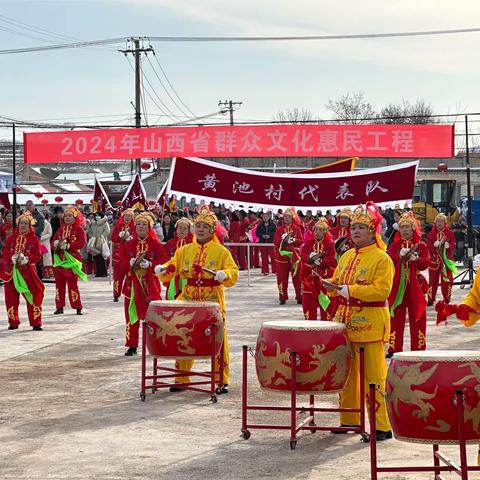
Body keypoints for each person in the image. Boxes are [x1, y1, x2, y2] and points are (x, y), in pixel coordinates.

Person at [324, 202, 394, 442]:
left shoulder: (382, 259)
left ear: (373, 230)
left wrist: (348, 290)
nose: (355, 231)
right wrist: (330, 286)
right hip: (344, 323)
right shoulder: (346, 255)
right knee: (347, 376)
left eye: (361, 227)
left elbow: (381, 291)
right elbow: (337, 281)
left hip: (370, 326)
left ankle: (381, 426)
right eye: (353, 227)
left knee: (373, 377)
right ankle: (349, 420)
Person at [157, 206, 239, 392]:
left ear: (212, 230)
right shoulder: (184, 250)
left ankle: (221, 379)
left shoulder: (221, 251)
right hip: (188, 299)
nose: (201, 229)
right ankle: (181, 379)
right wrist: (163, 269)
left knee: (218, 338)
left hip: (212, 300)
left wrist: (223, 274)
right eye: (198, 225)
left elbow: (233, 272)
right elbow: (172, 267)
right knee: (184, 337)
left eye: (205, 226)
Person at [120, 211, 167, 356]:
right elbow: (120, 262)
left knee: (152, 317)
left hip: (149, 286)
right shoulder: (129, 245)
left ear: (150, 227)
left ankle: (155, 344)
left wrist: (151, 264)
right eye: (138, 224)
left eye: (144, 224)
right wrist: (129, 263)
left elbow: (163, 261)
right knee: (131, 315)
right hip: (131, 286)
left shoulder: (156, 244)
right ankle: (132, 345)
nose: (140, 226)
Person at [386, 212, 429, 357]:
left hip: (416, 286)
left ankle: (418, 348)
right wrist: (399, 256)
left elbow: (425, 264)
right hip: (398, 286)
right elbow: (389, 260)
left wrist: (416, 258)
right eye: (402, 227)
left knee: (417, 316)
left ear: (413, 229)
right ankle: (394, 348)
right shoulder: (394, 245)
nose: (405, 230)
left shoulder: (420, 245)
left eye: (408, 227)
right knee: (395, 318)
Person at [0, 212, 45, 330]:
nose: (23, 226)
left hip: (28, 272)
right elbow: (4, 254)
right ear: (18, 225)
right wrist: (11, 258)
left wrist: (27, 259)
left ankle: (36, 323)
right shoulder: (11, 238)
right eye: (21, 223)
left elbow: (38, 255)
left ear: (30, 225)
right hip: (11, 272)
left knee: (32, 296)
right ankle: (13, 322)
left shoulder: (34, 239)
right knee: (10, 298)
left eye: (25, 223)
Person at [51, 205, 87, 315]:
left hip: (72, 260)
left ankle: (77, 306)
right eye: (66, 216)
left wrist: (69, 246)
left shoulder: (79, 229)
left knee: (72, 284)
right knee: (59, 284)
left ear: (75, 218)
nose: (67, 218)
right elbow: (52, 243)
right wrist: (55, 244)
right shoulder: (60, 230)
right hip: (60, 260)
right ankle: (59, 306)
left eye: (70, 216)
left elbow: (82, 243)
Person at [300, 218, 337, 320]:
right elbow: (303, 258)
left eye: (321, 230)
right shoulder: (308, 243)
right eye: (316, 230)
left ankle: (326, 326)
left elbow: (333, 261)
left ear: (325, 232)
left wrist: (321, 262)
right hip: (309, 279)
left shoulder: (330, 244)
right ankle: (310, 327)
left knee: (325, 303)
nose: (318, 232)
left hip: (324, 278)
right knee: (309, 303)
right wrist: (310, 259)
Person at [273, 207, 303, 305]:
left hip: (294, 256)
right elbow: (275, 242)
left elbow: (301, 241)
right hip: (281, 257)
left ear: (292, 218)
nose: (286, 218)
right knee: (281, 277)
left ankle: (300, 296)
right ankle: (282, 297)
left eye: (288, 216)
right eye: (285, 216)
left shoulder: (297, 229)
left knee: (297, 277)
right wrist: (283, 240)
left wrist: (294, 241)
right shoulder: (279, 229)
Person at [427, 213, 456, 305]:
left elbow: (453, 244)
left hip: (446, 261)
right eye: (438, 221)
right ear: (435, 223)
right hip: (434, 261)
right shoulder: (431, 234)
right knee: (432, 281)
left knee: (446, 280)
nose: (440, 223)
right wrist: (433, 245)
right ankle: (431, 299)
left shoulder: (449, 233)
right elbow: (428, 246)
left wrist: (449, 246)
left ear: (445, 223)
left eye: (441, 221)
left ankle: (447, 298)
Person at [164, 217, 194, 299]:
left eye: (185, 228)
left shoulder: (192, 244)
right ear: (176, 229)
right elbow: (165, 257)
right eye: (180, 228)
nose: (182, 230)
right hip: (173, 274)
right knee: (171, 297)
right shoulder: (170, 243)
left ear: (189, 231)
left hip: (187, 275)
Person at [111, 209, 135, 302]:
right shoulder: (118, 227)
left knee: (130, 276)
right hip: (118, 256)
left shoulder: (134, 227)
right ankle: (116, 294)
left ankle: (129, 294)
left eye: (129, 216)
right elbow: (113, 238)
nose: (127, 218)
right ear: (123, 217)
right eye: (125, 216)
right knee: (117, 277)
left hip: (130, 256)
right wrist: (119, 236)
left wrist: (131, 238)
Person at [87, 212, 110, 278]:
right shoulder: (93, 224)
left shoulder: (105, 223)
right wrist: (92, 236)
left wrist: (101, 236)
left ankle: (103, 272)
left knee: (102, 258)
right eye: (96, 216)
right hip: (94, 242)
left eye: (98, 215)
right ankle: (98, 272)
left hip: (102, 241)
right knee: (96, 258)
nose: (97, 217)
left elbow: (107, 231)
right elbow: (90, 232)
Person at [256, 211, 277, 275]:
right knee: (264, 257)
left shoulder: (273, 225)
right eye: (264, 216)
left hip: (271, 243)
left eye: (266, 216)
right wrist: (262, 235)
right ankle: (265, 270)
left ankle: (275, 270)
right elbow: (257, 233)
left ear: (269, 217)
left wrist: (270, 236)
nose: (265, 218)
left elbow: (275, 233)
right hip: (262, 242)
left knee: (273, 257)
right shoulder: (259, 225)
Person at [40, 212, 53, 279]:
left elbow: (50, 233)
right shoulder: (37, 223)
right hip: (38, 242)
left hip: (45, 242)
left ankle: (47, 273)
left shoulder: (47, 223)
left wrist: (41, 237)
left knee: (46, 258)